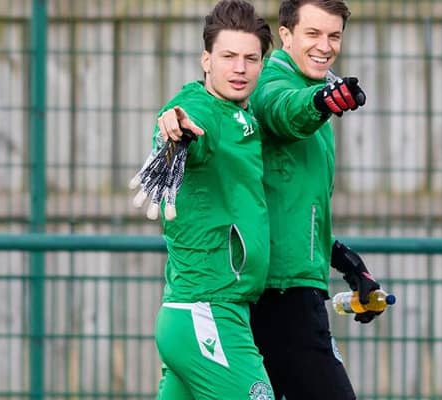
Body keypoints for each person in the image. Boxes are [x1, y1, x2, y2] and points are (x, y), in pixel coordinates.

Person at [159, 1, 382, 399]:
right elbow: (282, 111)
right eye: (313, 34)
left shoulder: (252, 108)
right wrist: (320, 103)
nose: (324, 45)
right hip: (266, 298)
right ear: (286, 36)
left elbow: (283, 209)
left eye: (334, 35)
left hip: (247, 299)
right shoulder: (268, 87)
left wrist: (344, 260)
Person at [142, 1, 275, 399]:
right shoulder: (204, 111)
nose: (240, 68)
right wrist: (173, 127)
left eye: (251, 58)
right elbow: (184, 120)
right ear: (206, 60)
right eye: (228, 56)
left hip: (198, 313)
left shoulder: (244, 118)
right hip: (208, 311)